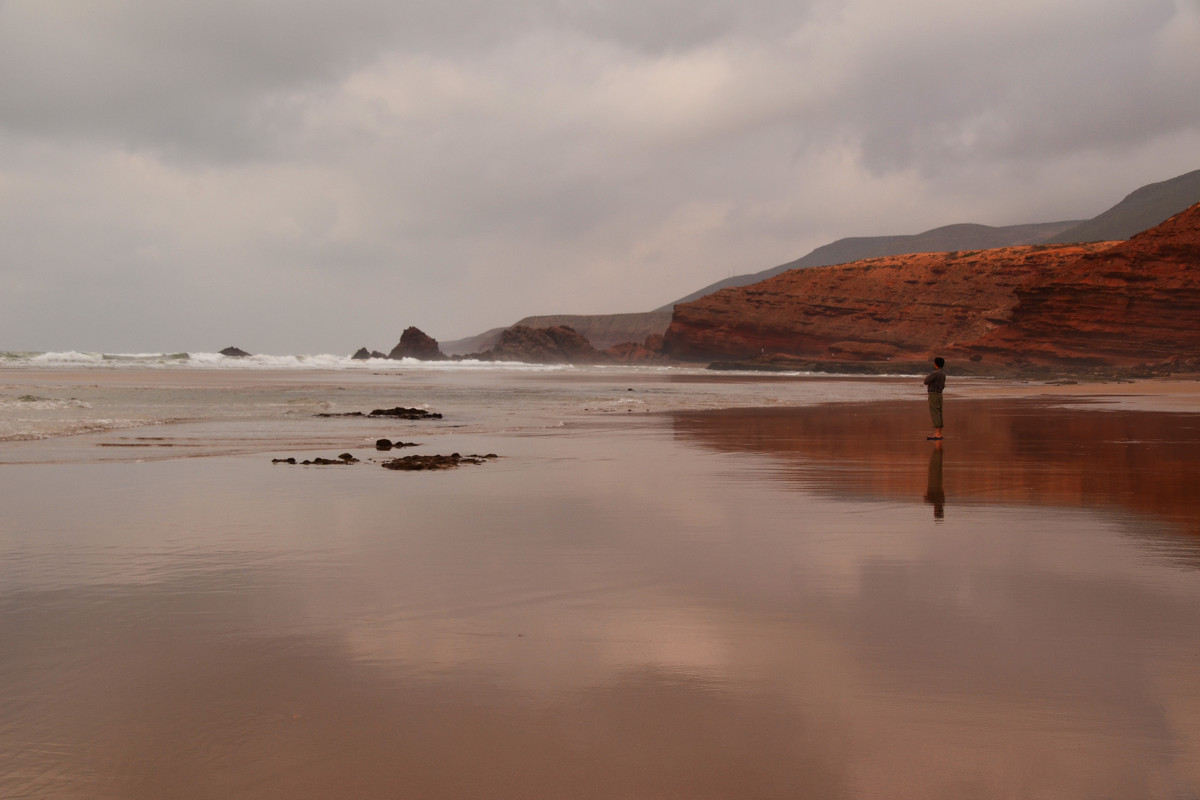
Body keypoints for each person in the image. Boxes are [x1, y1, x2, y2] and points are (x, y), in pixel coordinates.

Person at [924, 356, 946, 440]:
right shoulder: (943, 374)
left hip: (934, 394)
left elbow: (925, 381)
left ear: (935, 364)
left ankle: (938, 434)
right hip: (940, 394)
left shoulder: (936, 373)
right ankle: (938, 433)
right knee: (939, 413)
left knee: (935, 413)